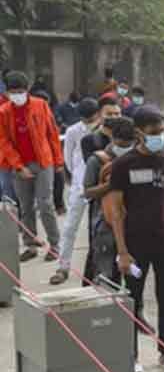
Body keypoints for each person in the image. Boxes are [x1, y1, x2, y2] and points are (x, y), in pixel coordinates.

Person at [107, 107, 164, 372]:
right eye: (154, 132)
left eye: (162, 131)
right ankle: (133, 357)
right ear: (139, 132)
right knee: (133, 301)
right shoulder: (123, 165)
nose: (160, 137)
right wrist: (122, 251)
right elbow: (116, 211)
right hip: (135, 243)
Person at [0, 72, 64, 262]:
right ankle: (30, 244)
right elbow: (3, 142)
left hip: (43, 162)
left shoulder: (40, 105)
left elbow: (52, 133)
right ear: (7, 93)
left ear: (27, 90)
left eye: (20, 91)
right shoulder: (3, 112)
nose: (17, 95)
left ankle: (54, 246)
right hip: (19, 166)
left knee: (45, 204)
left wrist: (58, 161)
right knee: (25, 207)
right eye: (13, 92)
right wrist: (19, 166)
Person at [50, 97, 100, 284]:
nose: (88, 123)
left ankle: (99, 270)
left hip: (100, 185)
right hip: (80, 184)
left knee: (99, 228)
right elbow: (68, 158)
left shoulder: (104, 129)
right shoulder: (73, 131)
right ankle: (63, 267)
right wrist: (78, 175)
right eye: (85, 120)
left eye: (91, 118)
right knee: (70, 226)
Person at [81, 117, 136, 285]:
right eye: (121, 145)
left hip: (133, 223)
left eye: (128, 146)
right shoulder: (97, 160)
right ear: (112, 139)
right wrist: (111, 185)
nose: (125, 149)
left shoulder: (137, 158)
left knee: (133, 278)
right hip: (106, 225)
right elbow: (88, 192)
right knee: (107, 277)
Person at [80, 96, 122, 162]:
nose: (114, 117)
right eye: (109, 114)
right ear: (99, 115)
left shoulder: (129, 137)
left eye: (117, 114)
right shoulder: (88, 141)